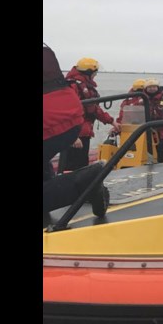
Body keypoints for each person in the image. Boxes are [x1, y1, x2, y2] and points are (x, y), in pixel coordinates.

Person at [43, 44, 110, 222]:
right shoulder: (75, 83)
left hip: (52, 122)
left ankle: (87, 181)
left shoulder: (78, 81)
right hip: (67, 118)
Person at [58, 57, 115, 173]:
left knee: (81, 164)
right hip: (75, 134)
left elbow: (93, 109)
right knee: (71, 166)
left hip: (84, 132)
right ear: (89, 72)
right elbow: (66, 112)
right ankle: (68, 189)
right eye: (95, 73)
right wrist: (73, 136)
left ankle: (80, 189)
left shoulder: (85, 86)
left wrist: (112, 121)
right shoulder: (72, 86)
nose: (95, 75)